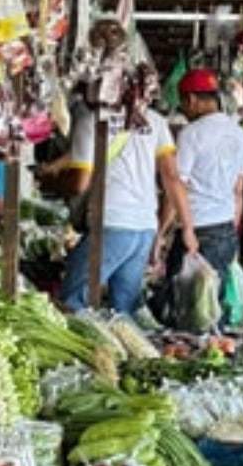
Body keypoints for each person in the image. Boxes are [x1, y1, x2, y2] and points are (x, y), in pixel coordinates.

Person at [60, 91, 194, 315]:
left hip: (110, 223)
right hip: (144, 228)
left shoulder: (91, 119)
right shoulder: (154, 120)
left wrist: (51, 182)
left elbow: (79, 184)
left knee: (73, 303)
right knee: (123, 311)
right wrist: (188, 228)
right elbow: (172, 177)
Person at [162, 68, 243, 281]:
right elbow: (238, 191)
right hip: (226, 229)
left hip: (197, 232)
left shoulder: (191, 134)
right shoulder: (240, 134)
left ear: (191, 99)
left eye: (182, 103)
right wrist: (232, 232)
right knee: (216, 297)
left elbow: (176, 186)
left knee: (185, 297)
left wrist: (161, 231)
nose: (183, 110)